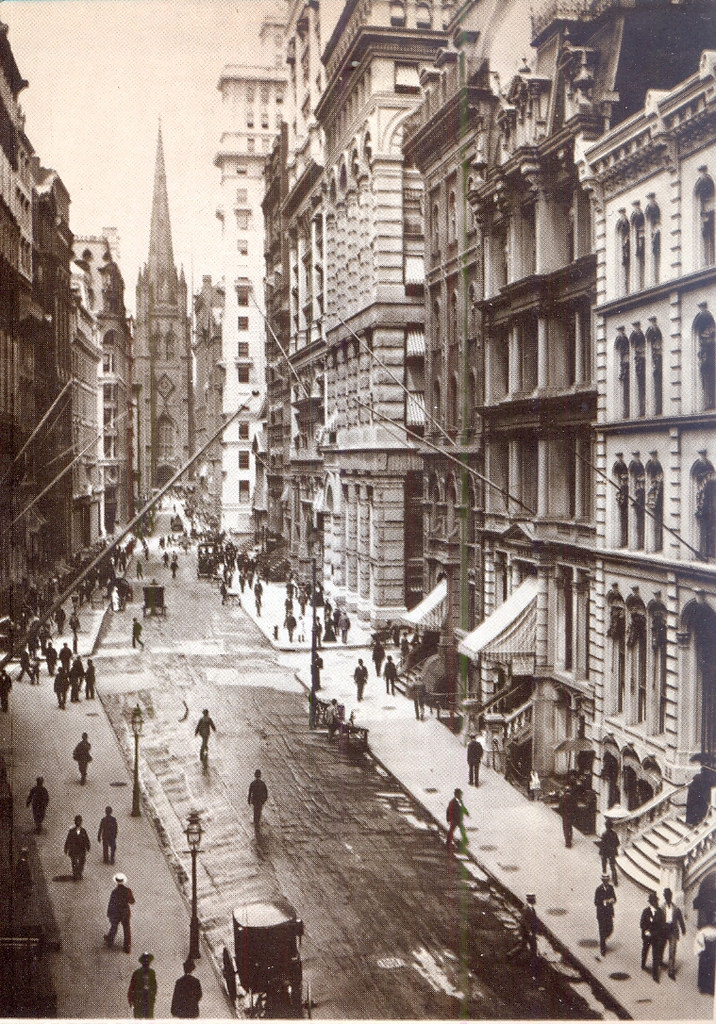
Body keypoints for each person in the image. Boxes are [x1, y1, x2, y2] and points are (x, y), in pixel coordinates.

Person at [105, 872, 135, 952]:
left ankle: (110, 941)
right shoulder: (128, 891)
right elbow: (132, 901)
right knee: (126, 928)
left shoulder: (114, 892)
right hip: (125, 912)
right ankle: (127, 947)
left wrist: (109, 913)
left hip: (116, 912)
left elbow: (111, 903)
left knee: (114, 926)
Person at [661, 887, 686, 980]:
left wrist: (683, 929)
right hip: (664, 931)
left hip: (673, 931)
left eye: (669, 896)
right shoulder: (661, 908)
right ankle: (660, 960)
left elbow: (680, 919)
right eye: (666, 896)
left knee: (672, 950)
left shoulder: (676, 908)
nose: (668, 898)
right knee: (661, 947)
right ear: (664, 897)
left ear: (671, 897)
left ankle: (671, 971)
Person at [640, 891, 663, 981]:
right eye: (654, 901)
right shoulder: (646, 911)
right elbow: (642, 923)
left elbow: (661, 926)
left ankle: (655, 974)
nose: (656, 903)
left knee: (655, 955)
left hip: (656, 937)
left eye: (656, 901)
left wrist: (654, 933)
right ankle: (643, 963)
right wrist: (645, 931)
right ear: (651, 902)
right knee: (645, 950)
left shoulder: (660, 912)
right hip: (647, 936)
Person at [128, 952, 157, 1018]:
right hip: (139, 1000)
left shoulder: (152, 973)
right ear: (142, 963)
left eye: (148, 962)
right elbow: (132, 987)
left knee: (149, 1018)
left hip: (148, 1000)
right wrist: (131, 999)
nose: (147, 963)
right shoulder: (137, 973)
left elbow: (154, 986)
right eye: (145, 962)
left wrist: (152, 996)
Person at [594, 872, 617, 956]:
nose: (606, 882)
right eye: (605, 880)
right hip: (601, 913)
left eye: (607, 880)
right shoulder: (598, 889)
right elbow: (596, 902)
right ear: (602, 881)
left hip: (609, 913)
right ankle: (602, 949)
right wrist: (604, 902)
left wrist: (612, 900)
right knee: (602, 930)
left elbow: (614, 898)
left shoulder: (611, 888)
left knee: (610, 928)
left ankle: (603, 938)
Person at [64, 813, 91, 880]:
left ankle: (79, 873)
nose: (78, 822)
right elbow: (68, 840)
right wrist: (66, 848)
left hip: (81, 850)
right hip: (74, 850)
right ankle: (75, 874)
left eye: (79, 821)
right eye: (77, 821)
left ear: (81, 822)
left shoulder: (83, 831)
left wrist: (88, 846)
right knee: (74, 862)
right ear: (75, 822)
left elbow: (86, 839)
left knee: (82, 862)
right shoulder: (71, 831)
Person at [695, 911, 716, 995]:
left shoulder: (712, 930)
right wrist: (700, 950)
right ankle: (703, 987)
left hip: (712, 951)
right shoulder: (704, 930)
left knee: (711, 968)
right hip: (706, 950)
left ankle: (710, 988)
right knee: (705, 968)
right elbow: (699, 940)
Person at [598, 819, 619, 885]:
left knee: (604, 865)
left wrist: (600, 852)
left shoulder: (604, 834)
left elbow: (602, 844)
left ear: (606, 826)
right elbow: (617, 843)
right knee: (612, 866)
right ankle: (615, 880)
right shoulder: (614, 834)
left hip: (605, 852)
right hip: (612, 851)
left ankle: (605, 877)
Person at [559, 783, 576, 848]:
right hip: (571, 815)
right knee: (570, 827)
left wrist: (562, 814)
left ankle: (567, 842)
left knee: (566, 828)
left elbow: (560, 807)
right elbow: (575, 807)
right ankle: (570, 837)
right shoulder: (573, 798)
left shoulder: (563, 798)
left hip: (565, 815)